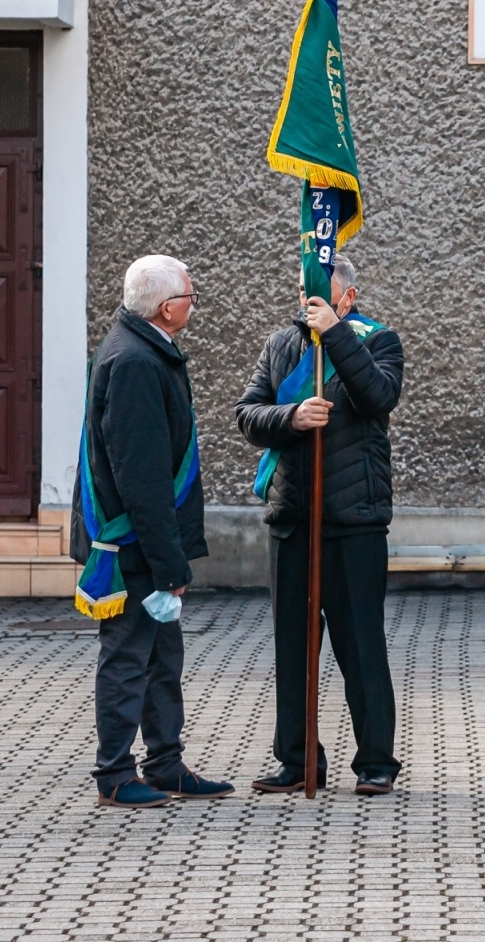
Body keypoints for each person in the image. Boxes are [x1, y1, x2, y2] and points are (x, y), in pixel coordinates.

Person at [235, 254, 405, 796]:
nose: (306, 298)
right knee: (293, 646)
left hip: (354, 520)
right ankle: (298, 758)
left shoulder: (379, 341)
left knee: (361, 646)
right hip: (293, 518)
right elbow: (248, 414)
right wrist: (289, 418)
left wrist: (335, 337)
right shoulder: (281, 346)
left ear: (347, 298)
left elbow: (379, 397)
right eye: (303, 288)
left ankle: (376, 761)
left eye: (319, 289)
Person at [71, 255, 233, 808]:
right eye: (190, 296)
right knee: (127, 659)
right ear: (168, 308)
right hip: (133, 546)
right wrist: (170, 564)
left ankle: (164, 763)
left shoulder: (141, 346)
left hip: (145, 543)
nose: (193, 304)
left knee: (163, 657)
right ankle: (114, 775)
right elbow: (142, 477)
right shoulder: (137, 361)